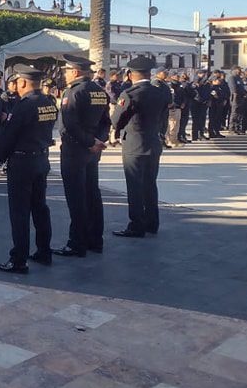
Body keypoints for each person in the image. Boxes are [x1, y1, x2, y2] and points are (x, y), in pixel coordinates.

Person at [0, 64, 59, 274]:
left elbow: (9, 135)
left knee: (20, 212)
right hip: (41, 158)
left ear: (22, 82)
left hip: (22, 162)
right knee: (40, 208)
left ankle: (19, 259)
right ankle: (44, 251)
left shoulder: (24, 105)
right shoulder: (48, 102)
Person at [51, 55, 110, 258]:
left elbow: (68, 126)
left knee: (76, 198)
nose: (65, 74)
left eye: (67, 71)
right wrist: (98, 141)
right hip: (92, 152)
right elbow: (106, 122)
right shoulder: (99, 91)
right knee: (92, 194)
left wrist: (89, 142)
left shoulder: (74, 92)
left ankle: (77, 243)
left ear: (75, 72)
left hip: (76, 151)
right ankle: (95, 240)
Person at [111, 56, 170, 238]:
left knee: (135, 186)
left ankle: (136, 225)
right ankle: (152, 222)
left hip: (134, 144)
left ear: (130, 74)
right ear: (149, 73)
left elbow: (116, 121)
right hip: (153, 141)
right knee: (150, 184)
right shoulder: (161, 92)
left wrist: (118, 129)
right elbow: (164, 117)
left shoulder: (129, 94)